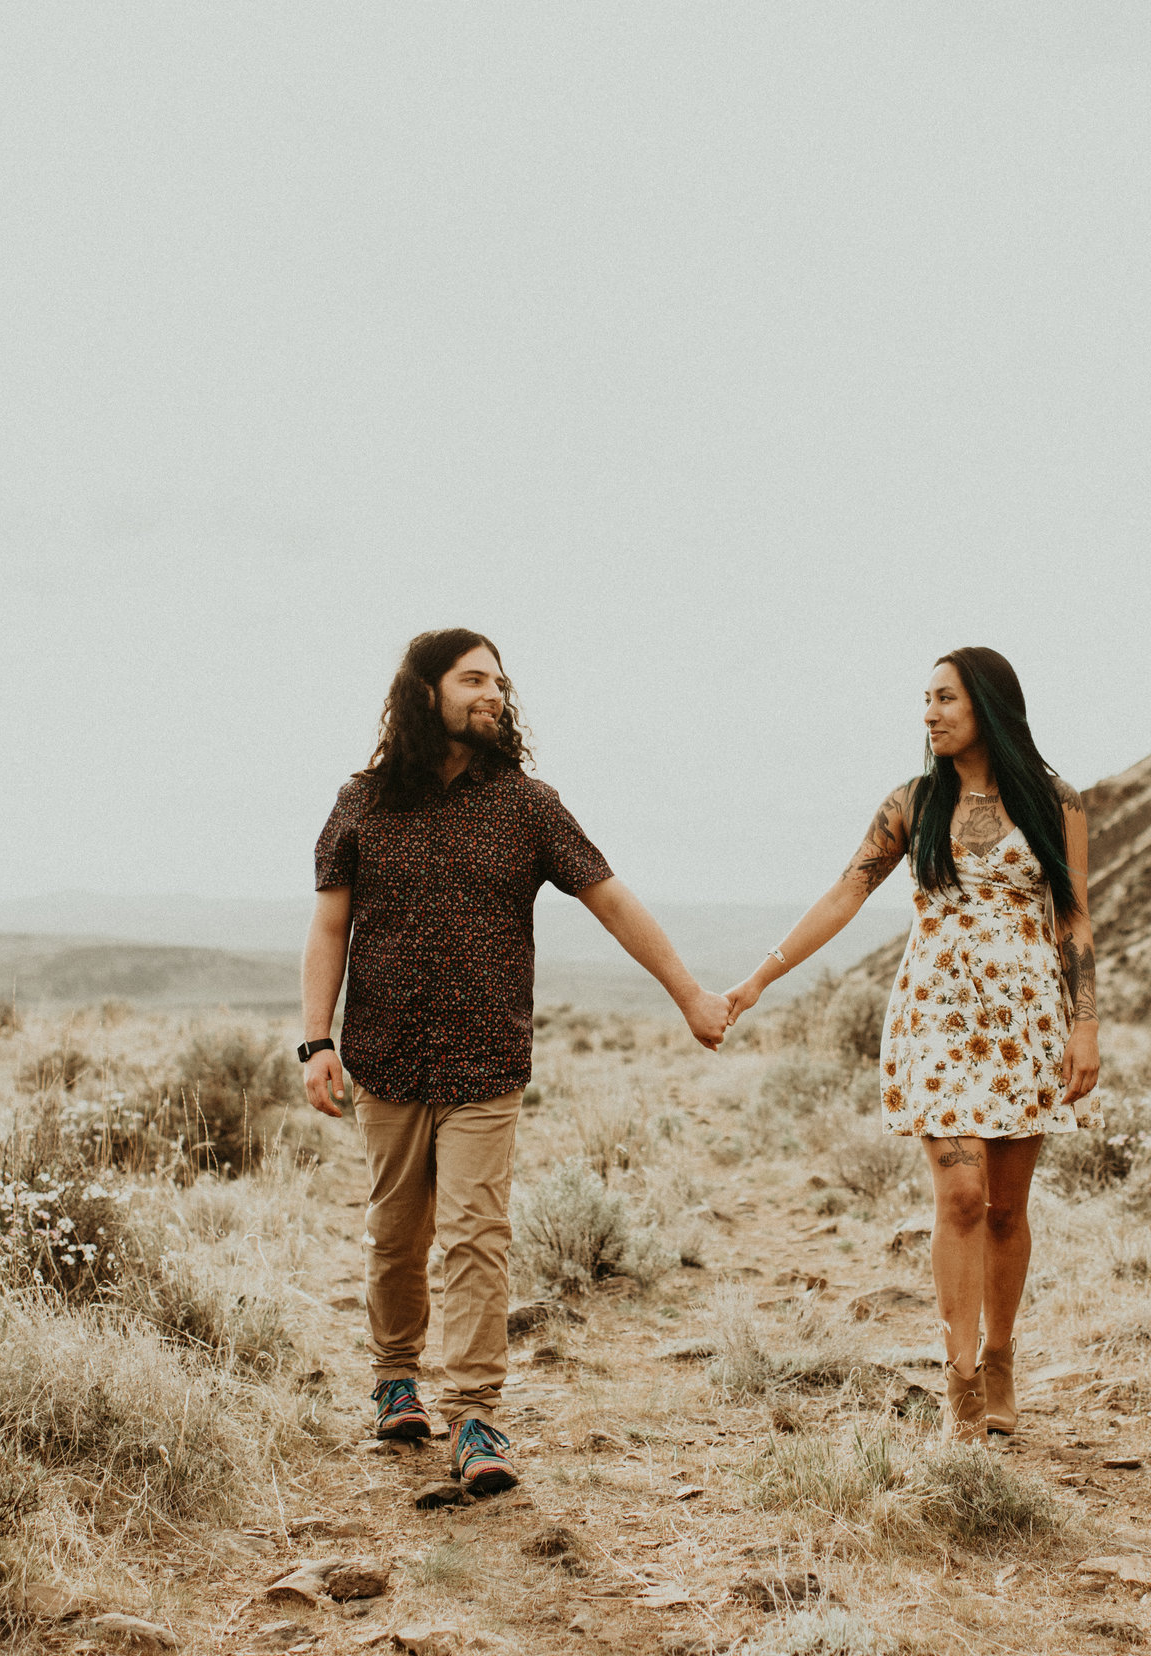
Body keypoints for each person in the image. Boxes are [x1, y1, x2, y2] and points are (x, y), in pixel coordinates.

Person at [302, 628, 733, 1496]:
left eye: (499, 681)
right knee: (396, 1232)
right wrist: (316, 1039)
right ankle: (395, 1377)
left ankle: (472, 1418)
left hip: (487, 1057)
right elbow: (329, 926)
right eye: (473, 679)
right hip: (383, 1055)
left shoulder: (527, 805)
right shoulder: (362, 801)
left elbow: (612, 901)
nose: (494, 694)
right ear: (425, 693)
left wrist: (690, 993)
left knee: (475, 1234)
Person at [724, 646, 1100, 1442]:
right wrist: (759, 979)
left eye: (945, 699)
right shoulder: (912, 803)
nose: (928, 713)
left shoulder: (1056, 801)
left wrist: (1087, 1022)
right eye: (925, 700)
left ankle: (1000, 1357)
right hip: (936, 1018)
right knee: (961, 1198)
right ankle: (959, 1376)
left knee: (1006, 1207)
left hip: (1026, 1022)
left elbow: (1074, 919)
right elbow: (844, 892)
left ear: (989, 706)